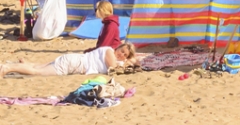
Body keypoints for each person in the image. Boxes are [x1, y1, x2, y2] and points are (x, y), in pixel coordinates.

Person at [0, 42, 137, 77]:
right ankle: (8, 68)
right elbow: (114, 69)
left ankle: (14, 66)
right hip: (74, 64)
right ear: (118, 48)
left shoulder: (110, 53)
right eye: (122, 51)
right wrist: (127, 63)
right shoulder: (109, 52)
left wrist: (128, 61)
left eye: (125, 55)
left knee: (37, 68)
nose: (122, 55)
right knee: (37, 73)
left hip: (73, 61)